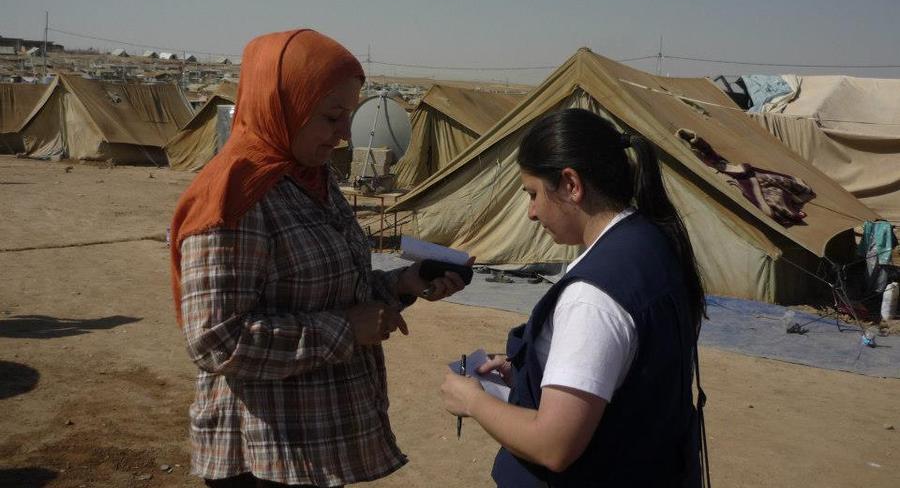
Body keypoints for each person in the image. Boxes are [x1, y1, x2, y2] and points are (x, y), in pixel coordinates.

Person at [170, 29, 467, 488]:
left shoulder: (313, 176)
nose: (346, 134)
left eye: (348, 116)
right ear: (283, 106)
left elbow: (334, 288)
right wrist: (346, 329)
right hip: (262, 455)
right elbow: (215, 340)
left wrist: (405, 284)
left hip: (317, 445)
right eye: (332, 117)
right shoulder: (235, 197)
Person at [440, 108, 707, 487]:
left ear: (570, 184)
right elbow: (626, 381)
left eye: (533, 194)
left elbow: (554, 445)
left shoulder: (593, 297)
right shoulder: (650, 242)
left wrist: (474, 402)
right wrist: (531, 376)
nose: (532, 213)